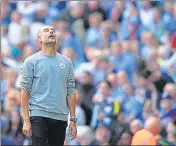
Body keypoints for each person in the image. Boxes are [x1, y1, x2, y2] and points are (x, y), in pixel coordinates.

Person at [20, 25, 77, 146]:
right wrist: (26, 120)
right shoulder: (30, 61)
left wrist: (73, 120)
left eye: (53, 30)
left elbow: (71, 91)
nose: (51, 31)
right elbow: (25, 91)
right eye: (46, 30)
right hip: (38, 114)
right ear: (39, 39)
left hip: (60, 116)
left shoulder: (67, 62)